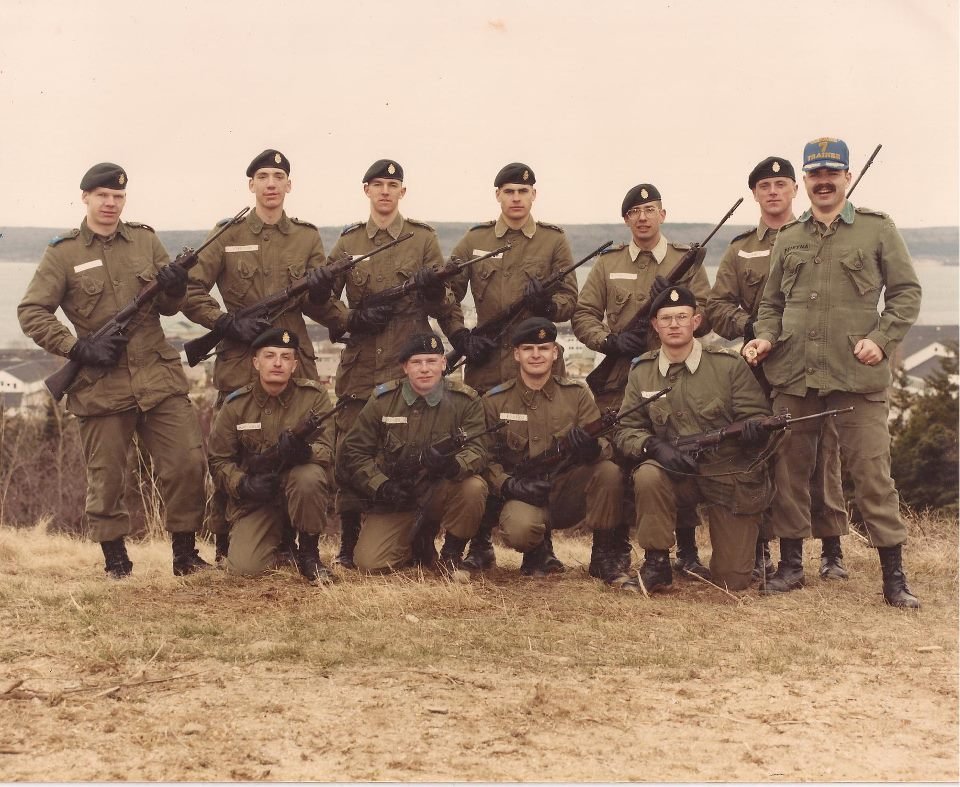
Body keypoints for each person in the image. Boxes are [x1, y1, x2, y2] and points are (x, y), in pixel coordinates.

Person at [743, 137, 922, 609]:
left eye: (831, 173)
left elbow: (906, 294)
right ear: (806, 181)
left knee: (871, 473)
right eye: (815, 174)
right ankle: (791, 566)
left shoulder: (877, 229)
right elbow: (771, 304)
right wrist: (765, 338)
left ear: (846, 177)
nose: (823, 182)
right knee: (789, 471)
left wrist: (881, 340)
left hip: (856, 376)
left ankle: (894, 577)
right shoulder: (789, 237)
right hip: (794, 375)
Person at [18, 162, 210, 578]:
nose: (110, 203)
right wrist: (78, 347)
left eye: (118, 196)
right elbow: (32, 311)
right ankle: (116, 563)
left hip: (157, 377)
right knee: (106, 479)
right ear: (85, 197)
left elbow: (168, 306)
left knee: (187, 462)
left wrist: (176, 286)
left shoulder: (145, 240)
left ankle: (185, 555)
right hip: (100, 384)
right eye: (102, 195)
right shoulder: (63, 253)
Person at [183, 149, 344, 561]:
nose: (271, 184)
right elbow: (191, 290)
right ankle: (225, 541)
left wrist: (328, 296)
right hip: (242, 358)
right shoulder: (227, 234)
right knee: (235, 449)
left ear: (289, 185)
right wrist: (225, 323)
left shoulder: (306, 237)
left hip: (291, 357)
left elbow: (318, 303)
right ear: (251, 184)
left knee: (300, 443)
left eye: (278, 176)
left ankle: (295, 543)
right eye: (263, 176)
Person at [705, 157, 848, 583]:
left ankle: (832, 549)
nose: (773, 192)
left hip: (812, 363)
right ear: (754, 194)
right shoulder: (741, 248)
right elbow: (716, 307)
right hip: (759, 367)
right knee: (761, 453)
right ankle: (763, 546)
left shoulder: (821, 237)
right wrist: (751, 327)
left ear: (795, 189)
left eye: (781, 184)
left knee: (822, 454)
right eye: (764, 185)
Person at [326, 159, 468, 570]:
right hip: (362, 363)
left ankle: (419, 537)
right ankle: (349, 541)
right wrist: (349, 319)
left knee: (416, 446)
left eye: (393, 185)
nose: (385, 191)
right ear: (366, 190)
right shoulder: (349, 242)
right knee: (351, 445)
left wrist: (456, 330)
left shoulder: (422, 239)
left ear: (402, 191)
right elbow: (322, 297)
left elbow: (443, 299)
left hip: (408, 361)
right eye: (378, 184)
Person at [573, 183, 714, 579]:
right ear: (626, 219)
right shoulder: (608, 263)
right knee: (615, 461)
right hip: (621, 379)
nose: (643, 217)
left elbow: (706, 317)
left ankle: (686, 550)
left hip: (676, 376)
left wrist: (677, 295)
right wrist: (610, 341)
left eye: (650, 209)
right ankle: (611, 549)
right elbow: (583, 314)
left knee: (678, 452)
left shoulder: (686, 260)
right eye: (635, 212)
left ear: (662, 215)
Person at [447, 163, 579, 571]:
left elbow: (570, 301)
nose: (516, 198)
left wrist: (546, 306)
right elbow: (446, 291)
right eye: (509, 191)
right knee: (485, 449)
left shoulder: (553, 241)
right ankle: (480, 543)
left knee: (543, 450)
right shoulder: (476, 240)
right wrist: (460, 335)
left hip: (537, 365)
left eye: (523, 191)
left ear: (533, 195)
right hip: (487, 365)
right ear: (498, 195)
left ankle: (541, 545)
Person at [612, 286, 775, 592]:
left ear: (696, 321)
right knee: (648, 474)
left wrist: (753, 434)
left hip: (727, 476)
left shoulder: (728, 365)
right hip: (678, 474)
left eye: (682, 317)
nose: (674, 325)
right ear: (655, 325)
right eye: (666, 318)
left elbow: (756, 416)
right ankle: (657, 563)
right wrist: (652, 446)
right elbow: (625, 429)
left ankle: (753, 549)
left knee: (732, 580)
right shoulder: (642, 371)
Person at [481, 318, 627, 581]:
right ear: (516, 354)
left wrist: (591, 449)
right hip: (524, 494)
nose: (536, 355)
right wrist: (508, 485)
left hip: (566, 493)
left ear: (555, 353)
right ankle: (536, 551)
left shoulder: (576, 395)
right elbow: (485, 457)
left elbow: (605, 447)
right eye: (528, 349)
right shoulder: (495, 401)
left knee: (608, 472)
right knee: (520, 530)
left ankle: (603, 556)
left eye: (544, 348)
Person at [334, 332, 488, 573]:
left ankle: (452, 554)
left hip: (440, 490)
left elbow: (478, 449)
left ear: (443, 363)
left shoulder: (465, 401)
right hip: (399, 496)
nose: (424, 369)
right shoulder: (383, 400)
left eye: (431, 361)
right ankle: (416, 542)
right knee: (370, 564)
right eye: (416, 362)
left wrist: (454, 465)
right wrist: (381, 485)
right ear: (405, 367)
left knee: (474, 487)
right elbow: (354, 451)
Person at [207, 328, 336, 582]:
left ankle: (309, 554)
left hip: (296, 488)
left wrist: (305, 452)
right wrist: (243, 484)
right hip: (258, 497)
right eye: (270, 356)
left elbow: (328, 451)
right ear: (256, 362)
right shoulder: (236, 404)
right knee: (245, 569)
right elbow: (218, 460)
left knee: (309, 476)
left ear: (295, 365)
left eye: (286, 357)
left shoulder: (314, 397)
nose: (278, 363)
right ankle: (281, 546)